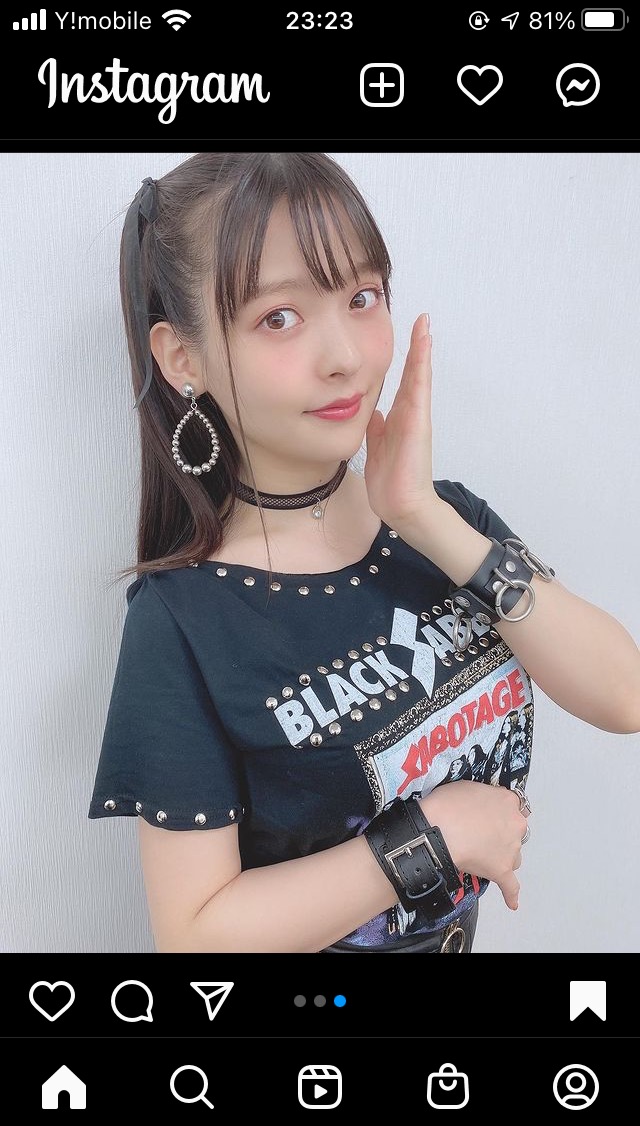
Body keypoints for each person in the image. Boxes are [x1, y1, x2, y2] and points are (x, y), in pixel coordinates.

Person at [89, 152, 640, 953]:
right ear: (184, 358)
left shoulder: (447, 521)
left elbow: (624, 696)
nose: (345, 355)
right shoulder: (183, 620)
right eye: (280, 317)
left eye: (361, 297)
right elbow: (195, 934)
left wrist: (423, 518)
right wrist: (432, 837)